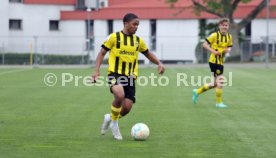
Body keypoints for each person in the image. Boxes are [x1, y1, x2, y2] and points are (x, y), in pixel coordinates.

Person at [92, 13, 165, 140]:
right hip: (115, 73)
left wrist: (158, 63)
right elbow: (101, 53)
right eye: (134, 24)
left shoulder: (138, 40)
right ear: (126, 23)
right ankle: (114, 125)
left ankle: (110, 118)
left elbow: (148, 53)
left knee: (126, 108)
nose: (136, 27)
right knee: (119, 95)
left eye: (138, 25)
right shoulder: (114, 37)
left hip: (130, 77)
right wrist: (97, 71)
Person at [192, 18, 233, 108]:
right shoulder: (214, 35)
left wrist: (227, 50)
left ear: (228, 27)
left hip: (221, 62)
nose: (224, 27)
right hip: (214, 62)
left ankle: (197, 91)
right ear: (219, 26)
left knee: (215, 83)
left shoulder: (229, 37)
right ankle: (218, 103)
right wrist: (213, 51)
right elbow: (204, 45)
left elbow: (229, 48)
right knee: (221, 81)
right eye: (223, 25)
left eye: (226, 25)